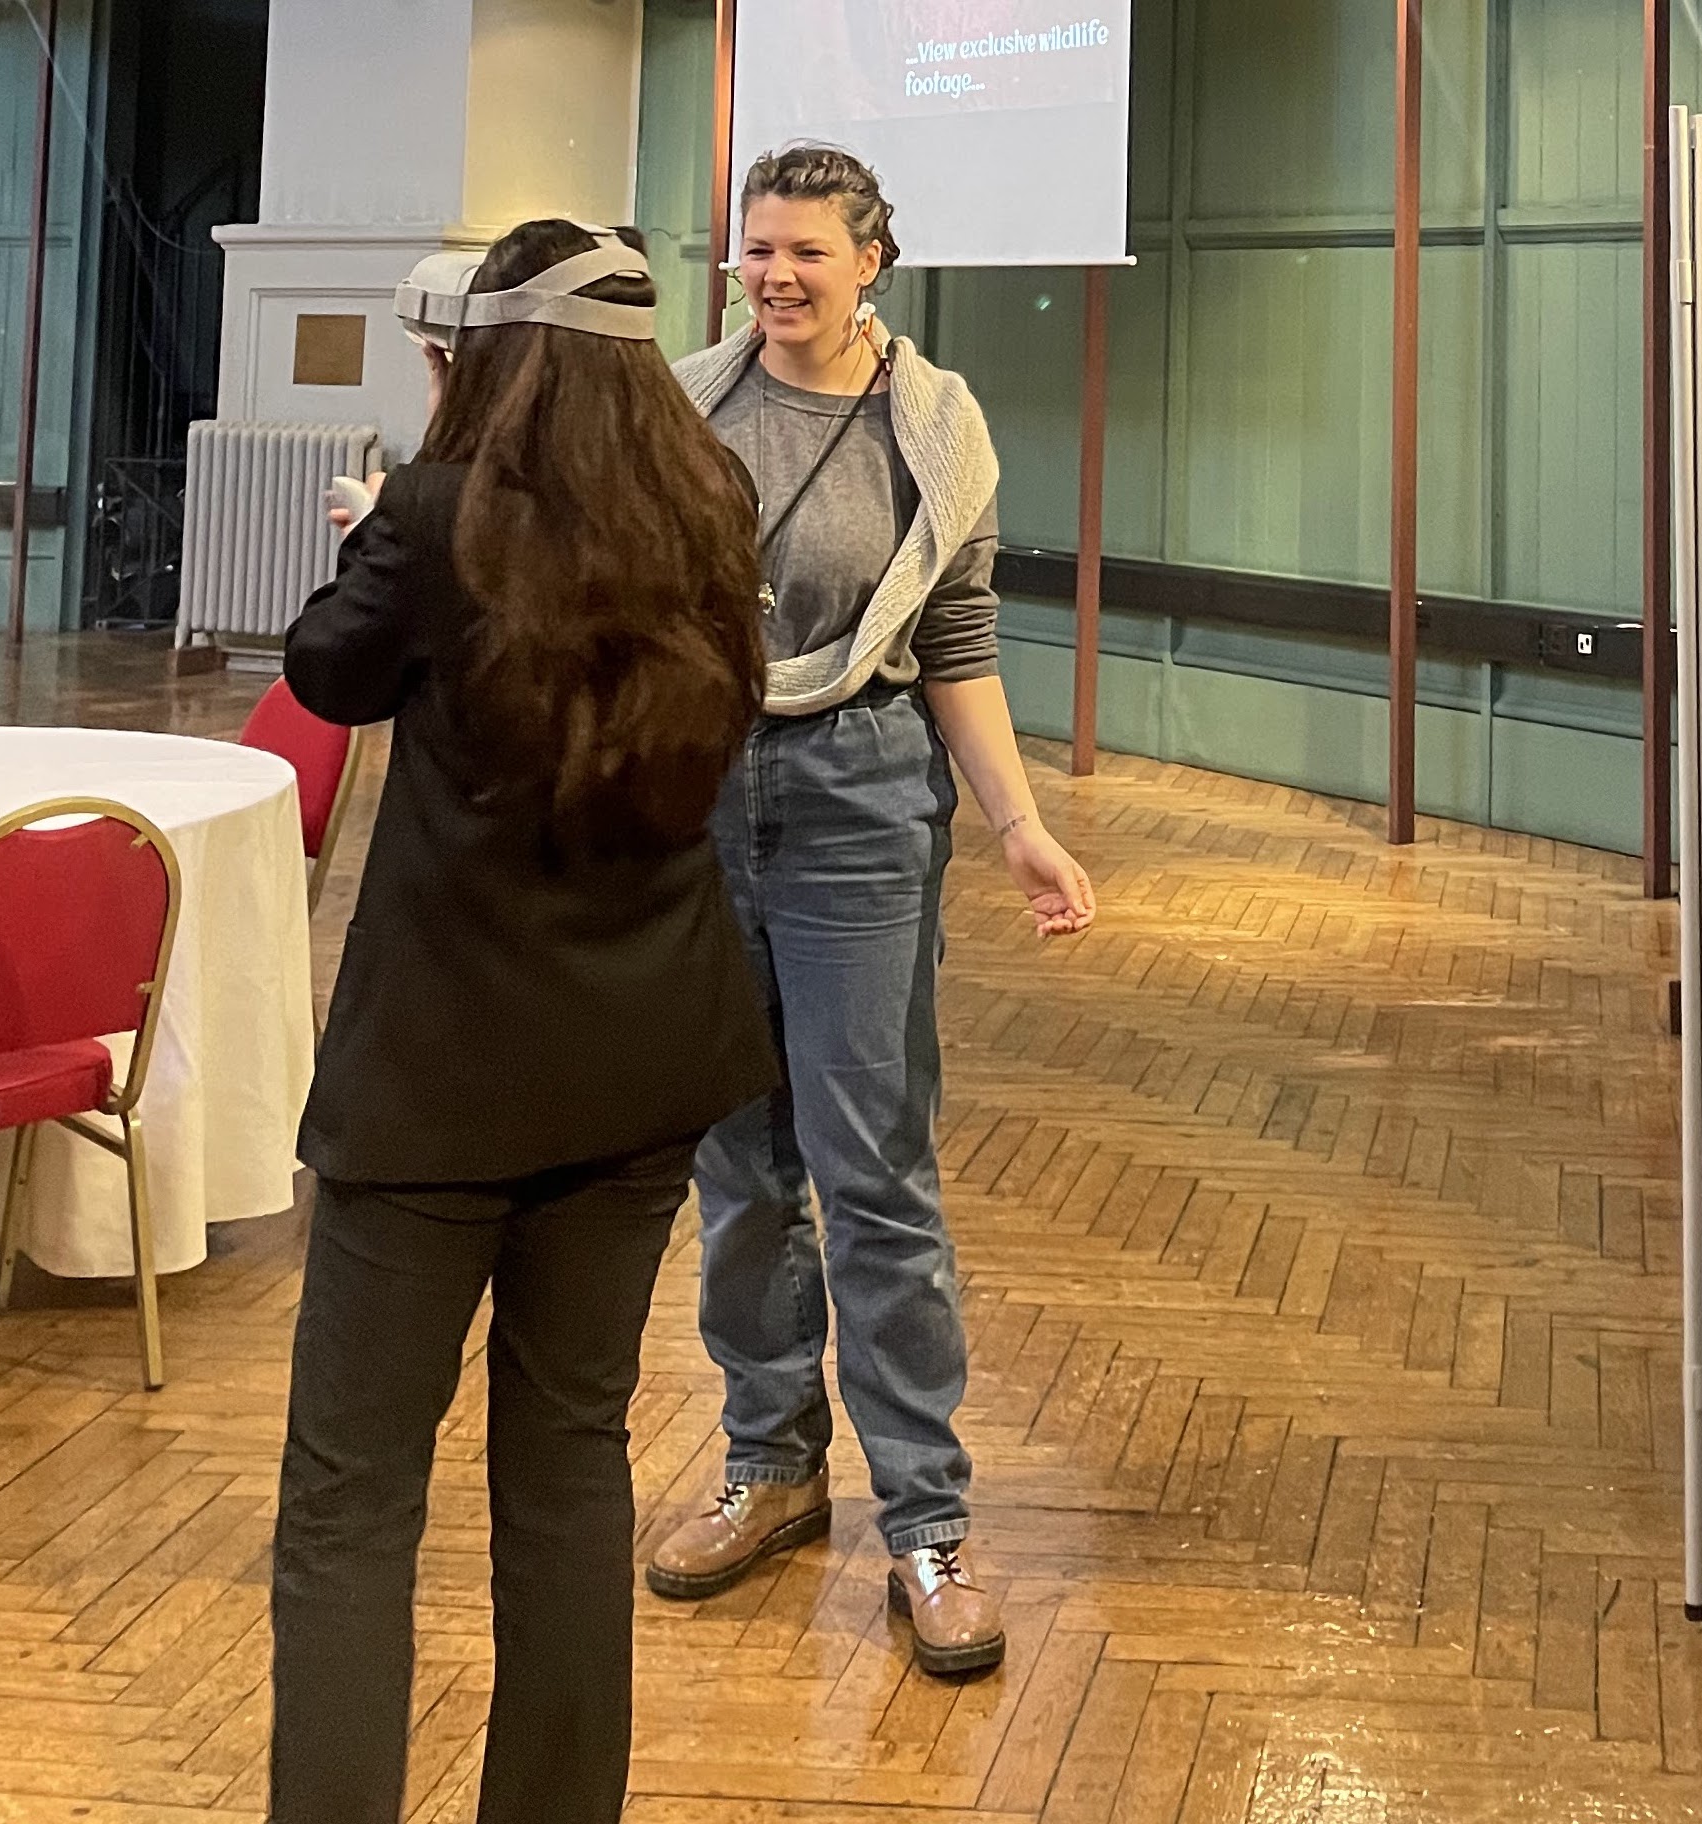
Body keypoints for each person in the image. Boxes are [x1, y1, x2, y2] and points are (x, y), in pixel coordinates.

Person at [267, 220, 779, 1823]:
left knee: (351, 1501)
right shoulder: (711, 506)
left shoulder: (434, 511)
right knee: (566, 1467)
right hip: (641, 1068)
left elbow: (323, 674)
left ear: (483, 356)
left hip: (439, 1077)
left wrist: (385, 523)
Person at [646, 144, 1094, 1679]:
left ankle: (929, 1522)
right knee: (741, 1163)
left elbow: (956, 635)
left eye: (805, 254)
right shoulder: (682, 403)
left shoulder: (934, 424)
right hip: (703, 796)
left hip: (860, 799)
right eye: (755, 250)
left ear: (870, 263)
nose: (774, 276)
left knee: (873, 1172)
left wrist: (1020, 828)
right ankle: (767, 1465)